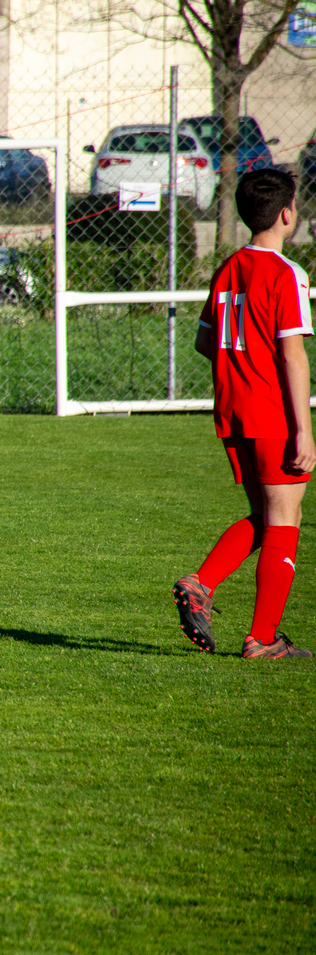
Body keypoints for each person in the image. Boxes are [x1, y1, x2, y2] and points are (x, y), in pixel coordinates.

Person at [175, 167, 315, 659]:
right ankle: (262, 636)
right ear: (287, 214)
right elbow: (293, 355)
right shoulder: (286, 273)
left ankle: (202, 585)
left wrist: (239, 365)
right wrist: (304, 431)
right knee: (285, 519)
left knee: (268, 514)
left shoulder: (228, 267)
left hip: (233, 410)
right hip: (272, 412)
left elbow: (204, 341)